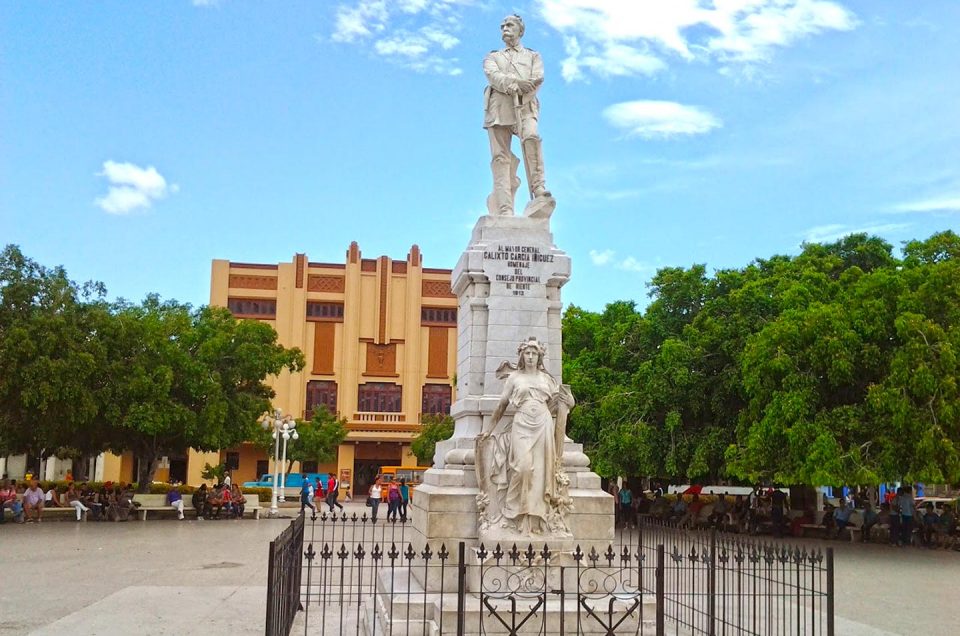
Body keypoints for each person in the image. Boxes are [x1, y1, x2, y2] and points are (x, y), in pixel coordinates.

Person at [476, 337, 575, 535]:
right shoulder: (515, 377)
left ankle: (535, 520)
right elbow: (502, 404)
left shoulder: (547, 379)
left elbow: (560, 402)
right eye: (527, 353)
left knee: (539, 473)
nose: (530, 357)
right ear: (522, 355)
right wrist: (489, 429)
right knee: (522, 468)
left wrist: (570, 402)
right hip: (522, 425)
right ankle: (512, 513)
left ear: (539, 357)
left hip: (543, 424)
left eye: (534, 353)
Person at [483, 14, 551, 216]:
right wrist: (515, 84)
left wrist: (522, 93)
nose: (505, 28)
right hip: (498, 108)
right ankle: (505, 207)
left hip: (526, 105)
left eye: (509, 25)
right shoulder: (493, 57)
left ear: (520, 30)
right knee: (501, 158)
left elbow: (537, 78)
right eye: (502, 25)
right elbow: (493, 76)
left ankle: (538, 188)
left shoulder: (532, 56)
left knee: (532, 137)